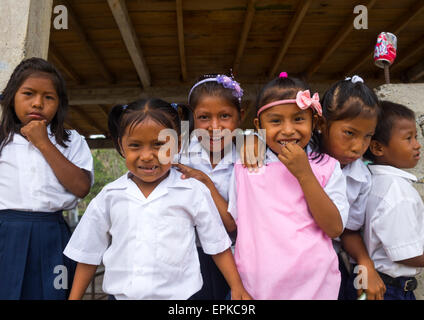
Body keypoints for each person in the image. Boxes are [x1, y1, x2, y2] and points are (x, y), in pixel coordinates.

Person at [63, 98, 252, 300]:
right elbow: (88, 255)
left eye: (159, 145)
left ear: (178, 144)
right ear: (121, 145)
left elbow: (217, 246)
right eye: (135, 145)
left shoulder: (192, 191)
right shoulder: (110, 196)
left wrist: (237, 287)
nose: (146, 156)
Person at [228, 73, 349, 299]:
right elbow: (236, 222)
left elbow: (334, 228)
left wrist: (304, 174)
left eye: (298, 119)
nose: (287, 130)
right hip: (258, 290)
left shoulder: (327, 167)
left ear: (313, 122)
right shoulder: (245, 167)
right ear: (259, 125)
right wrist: (250, 138)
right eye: (275, 121)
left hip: (317, 288)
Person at [0, 57, 93, 299]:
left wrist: (42, 142)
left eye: (48, 97)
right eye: (28, 94)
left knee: (53, 292)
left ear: (59, 104)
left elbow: (82, 187)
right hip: (5, 233)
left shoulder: (71, 140)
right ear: (11, 97)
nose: (38, 103)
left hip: (52, 234)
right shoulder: (2, 141)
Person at [314, 75, 386, 300]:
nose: (358, 147)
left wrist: (365, 263)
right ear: (321, 125)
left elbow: (348, 229)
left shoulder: (361, 177)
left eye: (367, 137)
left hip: (327, 266)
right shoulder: (300, 158)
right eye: (349, 133)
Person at [175, 74, 244, 299]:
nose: (215, 127)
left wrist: (205, 182)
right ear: (192, 119)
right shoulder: (178, 156)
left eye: (225, 116)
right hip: (186, 258)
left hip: (233, 259)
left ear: (239, 117)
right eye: (204, 117)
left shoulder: (247, 160)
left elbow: (233, 225)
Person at [362, 101, 423, 300]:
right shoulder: (397, 192)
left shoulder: (370, 180)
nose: (417, 144)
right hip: (390, 290)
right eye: (408, 138)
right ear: (378, 147)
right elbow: (406, 254)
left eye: (415, 136)